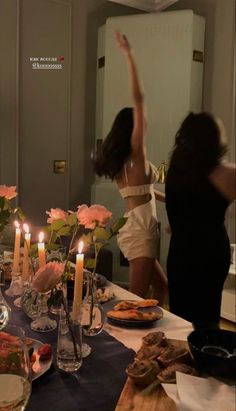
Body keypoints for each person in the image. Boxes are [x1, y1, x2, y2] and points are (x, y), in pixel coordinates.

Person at [94, 32, 167, 305]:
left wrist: (167, 198)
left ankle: (152, 342)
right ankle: (122, 342)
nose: (145, 125)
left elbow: (144, 191)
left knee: (161, 290)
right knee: (136, 301)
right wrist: (128, 55)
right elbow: (140, 99)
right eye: (140, 123)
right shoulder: (135, 155)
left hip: (137, 226)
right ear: (133, 129)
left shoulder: (123, 162)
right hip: (141, 230)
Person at [165, 111, 236, 329]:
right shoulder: (229, 174)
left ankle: (179, 359)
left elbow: (176, 214)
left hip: (181, 251)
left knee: (180, 318)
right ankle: (209, 357)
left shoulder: (175, 172)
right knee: (207, 316)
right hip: (212, 253)